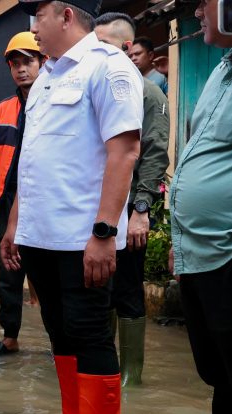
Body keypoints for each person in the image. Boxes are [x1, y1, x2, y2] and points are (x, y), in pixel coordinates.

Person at [2, 1, 143, 414]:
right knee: (58, 327)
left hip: (82, 235)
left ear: (65, 15)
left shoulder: (108, 67)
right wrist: (15, 225)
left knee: (89, 331)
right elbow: (32, 159)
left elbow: (124, 151)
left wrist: (104, 232)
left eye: (38, 17)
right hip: (40, 234)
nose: (33, 29)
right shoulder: (47, 76)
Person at [169, 0, 232, 414]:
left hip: (227, 255)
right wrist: (180, 246)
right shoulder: (220, 71)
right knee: (220, 379)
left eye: (204, 0)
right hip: (201, 256)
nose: (197, 11)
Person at [94, 12, 170, 387]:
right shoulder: (98, 87)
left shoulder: (147, 93)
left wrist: (141, 210)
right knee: (98, 289)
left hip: (129, 206)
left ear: (126, 48)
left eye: (104, 46)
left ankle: (130, 377)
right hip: (97, 208)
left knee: (127, 288)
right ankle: (102, 368)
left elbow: (154, 154)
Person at [0, 31, 45, 357]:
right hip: (8, 201)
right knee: (8, 272)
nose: (21, 69)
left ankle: (61, 342)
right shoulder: (4, 109)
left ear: (42, 62)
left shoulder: (54, 102)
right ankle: (10, 338)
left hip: (45, 199)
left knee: (48, 273)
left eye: (28, 62)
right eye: (15, 63)